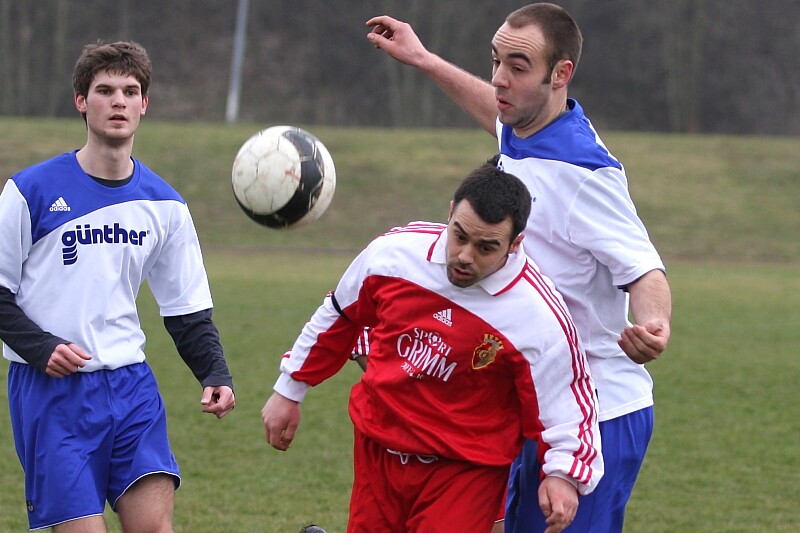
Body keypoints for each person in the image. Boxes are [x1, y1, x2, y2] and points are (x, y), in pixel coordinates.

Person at [365, 4, 672, 532]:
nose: (499, 79)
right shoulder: (525, 129)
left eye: (518, 66)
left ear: (561, 74)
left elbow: (645, 269)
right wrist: (424, 59)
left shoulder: (585, 173)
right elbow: (494, 109)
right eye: (496, 61)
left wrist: (654, 325)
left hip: (597, 413)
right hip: (537, 402)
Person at [262, 164, 603, 533]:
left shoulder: (537, 315)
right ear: (450, 212)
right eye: (459, 236)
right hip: (378, 452)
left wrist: (564, 474)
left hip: (464, 470)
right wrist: (289, 389)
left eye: (486, 247)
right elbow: (341, 313)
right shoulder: (394, 254)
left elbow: (568, 400)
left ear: (515, 244)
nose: (465, 256)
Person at [0, 41, 235, 531]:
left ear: (144, 104)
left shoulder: (166, 205)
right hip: (51, 393)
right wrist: (41, 348)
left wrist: (214, 372)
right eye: (105, 91)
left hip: (131, 388)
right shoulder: (30, 191)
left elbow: (187, 308)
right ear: (81, 101)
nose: (119, 101)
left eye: (130, 91)